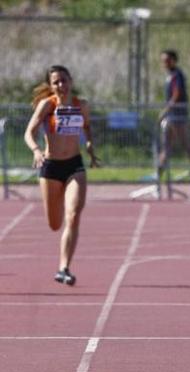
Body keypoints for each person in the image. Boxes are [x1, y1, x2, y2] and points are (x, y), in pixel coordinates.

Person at [23, 65, 100, 286]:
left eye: (64, 80)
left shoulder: (81, 105)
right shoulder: (47, 105)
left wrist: (90, 147)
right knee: (55, 224)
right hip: (50, 168)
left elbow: (87, 128)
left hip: (74, 165)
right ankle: (63, 263)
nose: (61, 85)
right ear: (51, 85)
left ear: (71, 81)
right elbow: (28, 132)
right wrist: (36, 150)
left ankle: (64, 267)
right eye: (56, 82)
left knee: (74, 214)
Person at [159, 49, 190, 180]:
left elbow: (176, 94)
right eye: (163, 61)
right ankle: (158, 173)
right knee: (166, 145)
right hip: (171, 117)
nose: (164, 63)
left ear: (173, 61)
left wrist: (165, 110)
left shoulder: (177, 75)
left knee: (185, 144)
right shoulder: (169, 75)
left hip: (178, 116)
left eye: (167, 60)